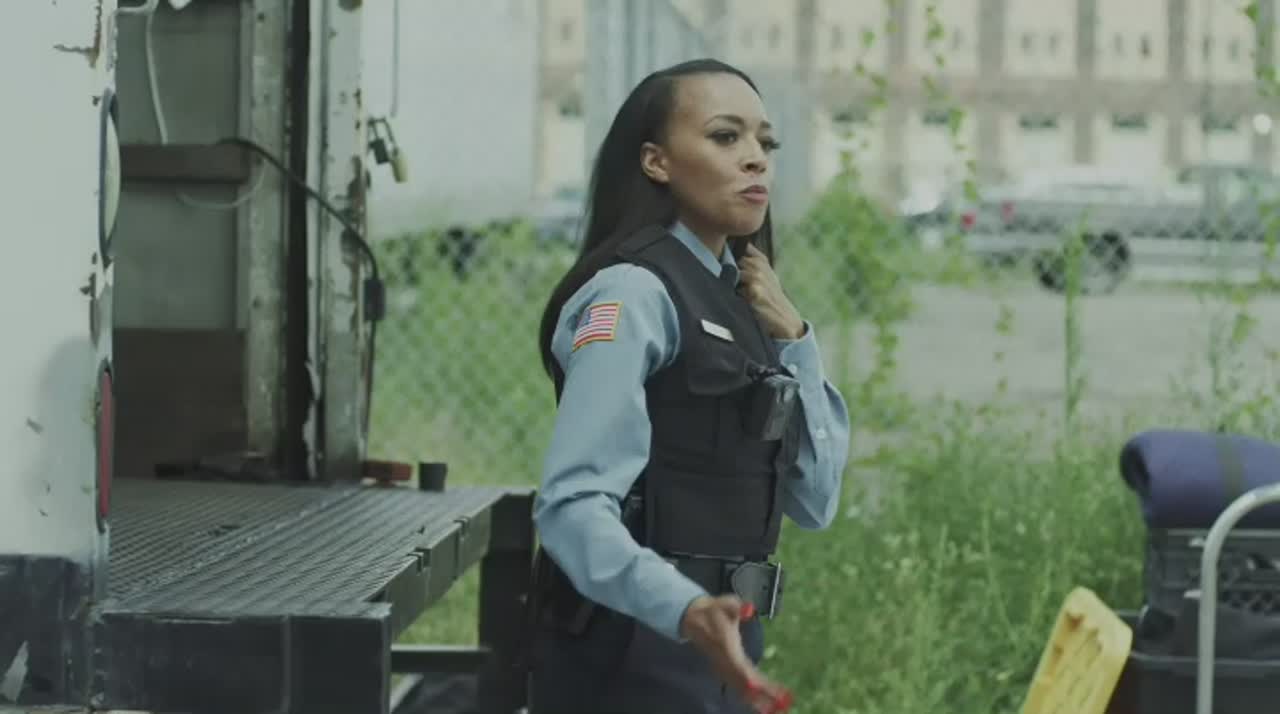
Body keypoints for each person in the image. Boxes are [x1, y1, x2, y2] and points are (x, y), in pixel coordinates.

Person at [525, 58, 851, 714]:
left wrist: (797, 339)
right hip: (634, 644)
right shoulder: (633, 293)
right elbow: (571, 506)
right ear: (657, 162)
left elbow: (814, 501)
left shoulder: (746, 299)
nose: (755, 158)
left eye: (766, 142)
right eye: (726, 136)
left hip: (722, 637)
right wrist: (683, 607)